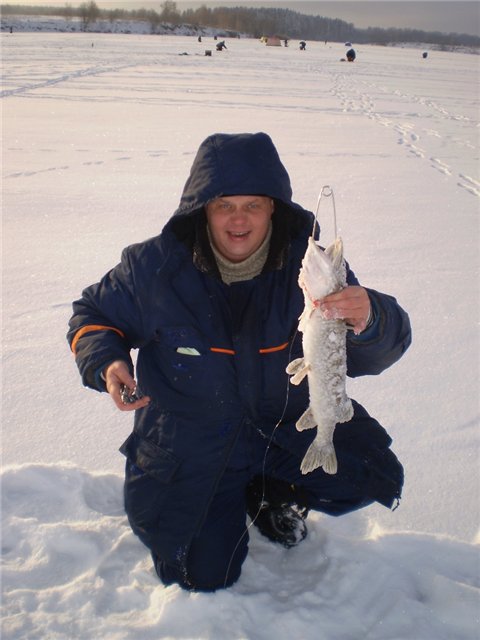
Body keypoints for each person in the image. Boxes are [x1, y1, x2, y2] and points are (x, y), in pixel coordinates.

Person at [68, 132, 411, 592]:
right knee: (200, 574)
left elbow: (372, 353)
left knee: (367, 474)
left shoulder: (310, 269)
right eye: (224, 205)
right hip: (191, 442)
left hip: (280, 428)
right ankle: (224, 502)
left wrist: (371, 318)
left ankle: (267, 493)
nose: (238, 219)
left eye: (253, 205)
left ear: (274, 209)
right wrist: (107, 362)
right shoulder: (153, 268)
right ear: (202, 210)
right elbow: (93, 315)